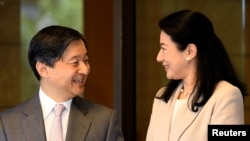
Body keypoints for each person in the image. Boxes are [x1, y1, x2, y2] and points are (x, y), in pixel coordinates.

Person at [0, 25, 124, 141]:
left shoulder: (105, 121)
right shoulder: (7, 124)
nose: (85, 69)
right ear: (43, 69)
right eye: (75, 62)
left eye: (85, 60)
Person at [146, 10, 248, 141]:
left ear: (190, 51)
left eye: (164, 48)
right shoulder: (162, 97)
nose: (159, 57)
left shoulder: (226, 96)